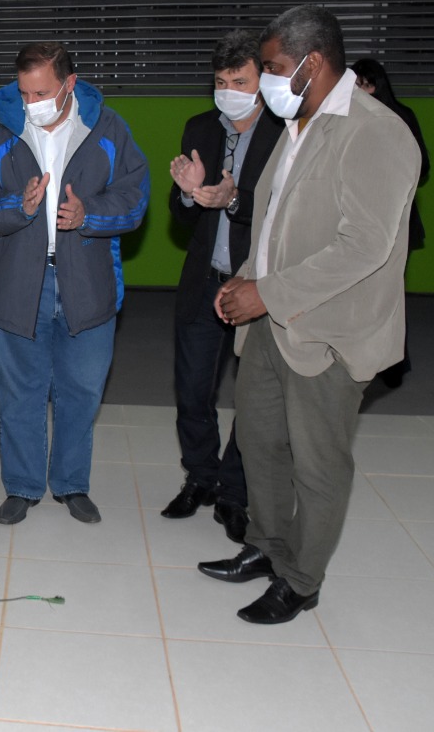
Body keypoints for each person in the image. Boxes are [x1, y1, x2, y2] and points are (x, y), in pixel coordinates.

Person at [203, 5, 420, 624]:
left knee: (318, 463)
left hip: (329, 331)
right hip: (271, 323)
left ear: (312, 63)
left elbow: (365, 246)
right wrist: (246, 279)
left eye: (272, 68)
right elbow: (275, 221)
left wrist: (267, 293)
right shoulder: (298, 124)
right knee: (260, 442)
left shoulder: (374, 131)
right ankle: (267, 547)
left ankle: (300, 580)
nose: (266, 79)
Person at [0, 42, 150, 526]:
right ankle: (22, 486)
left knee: (81, 392)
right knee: (19, 394)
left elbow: (135, 198)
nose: (31, 103)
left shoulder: (108, 129)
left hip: (88, 284)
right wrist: (17, 206)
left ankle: (71, 483)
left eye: (41, 93)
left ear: (69, 84)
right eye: (24, 92)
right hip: (18, 285)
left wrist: (89, 214)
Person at [162, 30, 284, 543]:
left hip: (255, 286)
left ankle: (235, 492)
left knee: (253, 399)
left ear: (262, 82)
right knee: (193, 392)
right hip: (202, 282)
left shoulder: (285, 132)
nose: (229, 91)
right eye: (221, 82)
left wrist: (233, 200)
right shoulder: (200, 127)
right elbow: (180, 213)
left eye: (240, 81)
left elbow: (286, 211)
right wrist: (190, 195)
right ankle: (201, 477)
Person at [351, 57, 429, 388]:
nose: (359, 90)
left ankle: (394, 363)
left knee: (389, 295)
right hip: (358, 219)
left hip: (396, 221)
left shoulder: (400, 117)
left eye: (364, 84)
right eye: (355, 84)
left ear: (376, 85)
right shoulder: (348, 118)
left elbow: (422, 168)